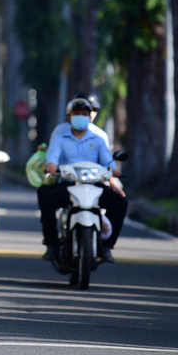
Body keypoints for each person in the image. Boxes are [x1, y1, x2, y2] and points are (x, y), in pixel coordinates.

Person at [37, 98, 127, 263]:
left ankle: (107, 246)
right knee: (46, 197)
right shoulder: (60, 138)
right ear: (69, 117)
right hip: (68, 184)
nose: (80, 117)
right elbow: (53, 157)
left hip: (94, 185)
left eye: (84, 114)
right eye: (76, 114)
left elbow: (108, 162)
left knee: (120, 202)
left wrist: (114, 172)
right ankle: (51, 244)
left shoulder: (98, 139)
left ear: (90, 116)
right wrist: (51, 165)